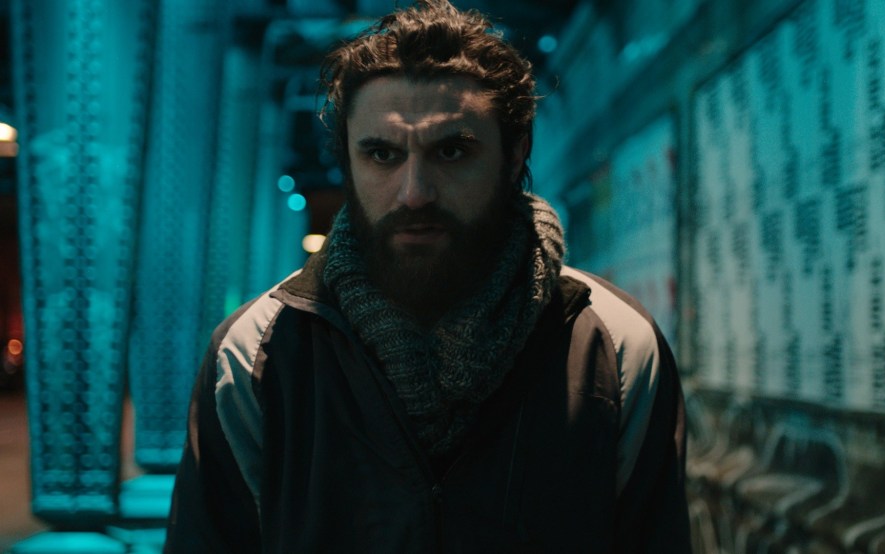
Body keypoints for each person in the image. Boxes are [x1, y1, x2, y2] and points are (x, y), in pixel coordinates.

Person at [164, 1, 691, 551]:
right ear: (348, 162)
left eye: (452, 151)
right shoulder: (255, 354)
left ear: (515, 155)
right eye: (382, 154)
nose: (414, 192)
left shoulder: (615, 346)